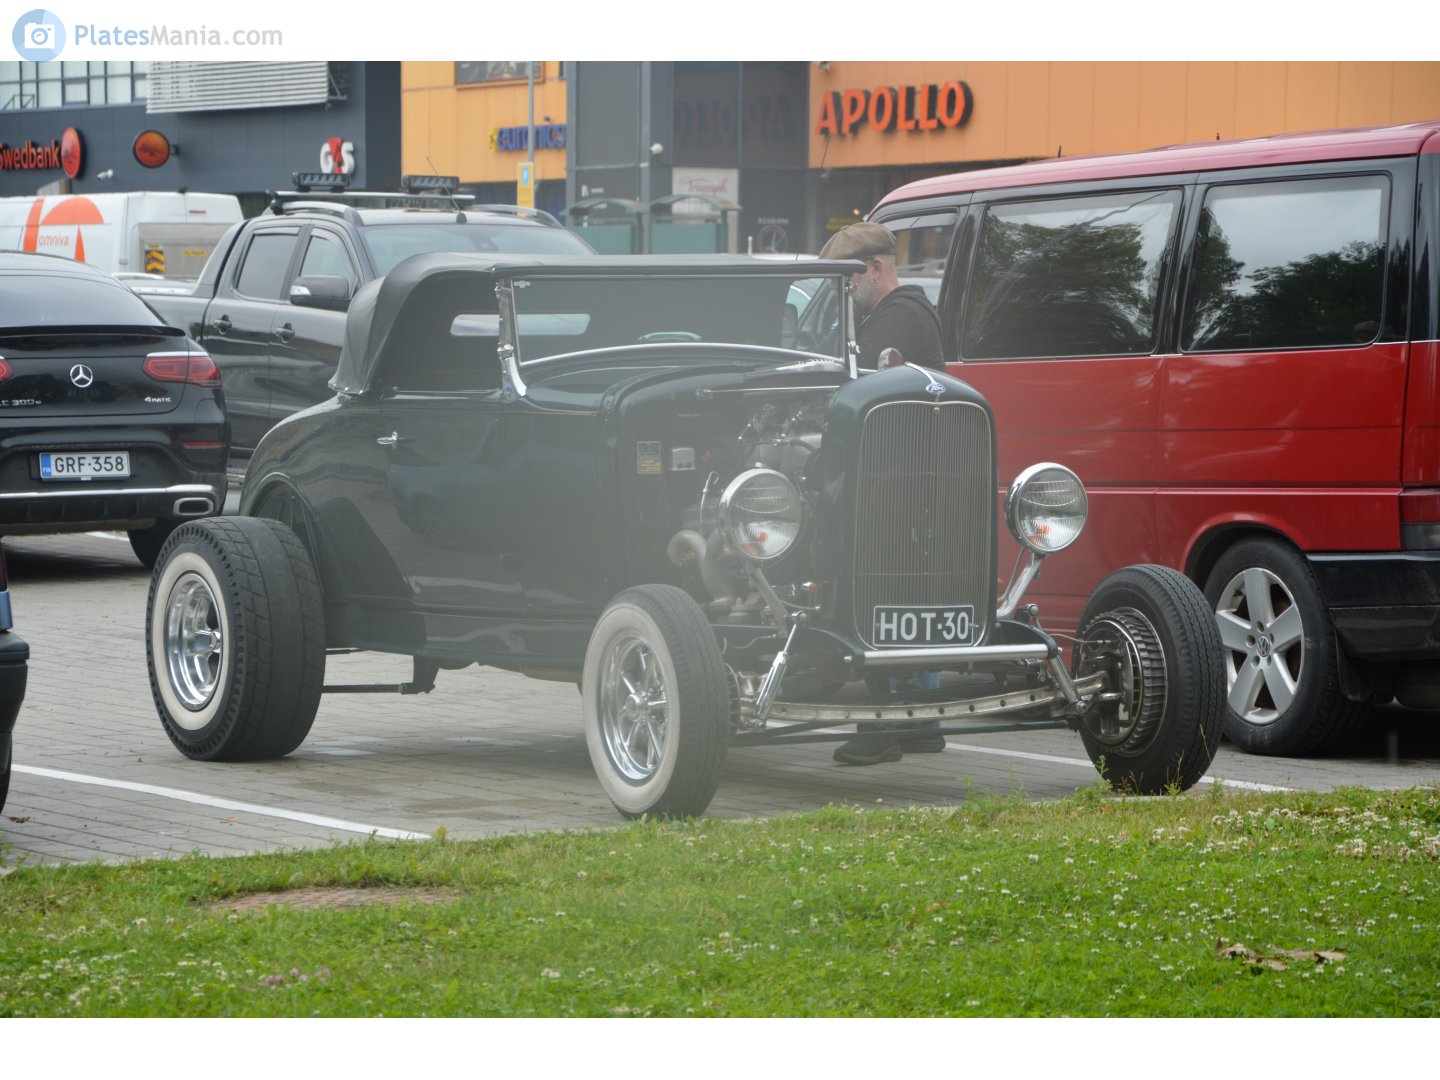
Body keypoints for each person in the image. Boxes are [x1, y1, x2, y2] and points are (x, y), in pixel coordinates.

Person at [819, 222, 948, 766]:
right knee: (908, 591)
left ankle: (884, 721)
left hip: (895, 477)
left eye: (847, 280)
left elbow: (845, 382)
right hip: (911, 476)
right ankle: (920, 719)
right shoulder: (906, 314)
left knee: (876, 590)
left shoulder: (897, 320)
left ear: (874, 268)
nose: (845, 292)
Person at [818, 221, 943, 370]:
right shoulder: (868, 314)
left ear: (876, 268)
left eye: (845, 275)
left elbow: (855, 371)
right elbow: (820, 354)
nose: (834, 285)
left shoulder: (905, 314)